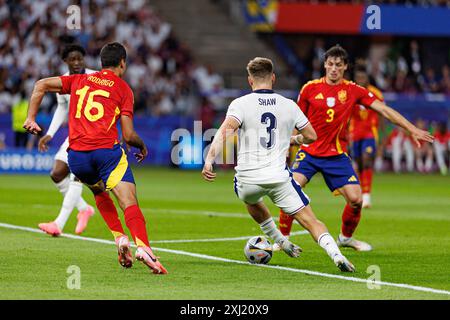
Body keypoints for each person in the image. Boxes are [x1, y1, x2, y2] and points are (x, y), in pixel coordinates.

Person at [23, 42, 167, 274]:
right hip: (106, 153)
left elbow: (40, 85)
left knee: (99, 191)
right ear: (122, 63)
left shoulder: (78, 80)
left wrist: (31, 118)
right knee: (128, 201)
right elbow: (128, 136)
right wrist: (141, 146)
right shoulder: (123, 89)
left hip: (77, 158)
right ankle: (144, 247)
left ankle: (119, 238)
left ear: (100, 64)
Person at [202, 57, 355, 272]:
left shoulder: (240, 104)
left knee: (250, 199)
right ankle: (336, 254)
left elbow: (225, 130)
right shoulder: (288, 105)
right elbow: (311, 135)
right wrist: (295, 139)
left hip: (247, 179)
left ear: (250, 80)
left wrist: (210, 159)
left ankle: (280, 240)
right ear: (273, 78)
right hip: (278, 178)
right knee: (310, 220)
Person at [276, 45, 434, 252]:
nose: (334, 69)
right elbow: (296, 121)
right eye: (330, 64)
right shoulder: (309, 88)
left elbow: (384, 110)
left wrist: (412, 129)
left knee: (356, 200)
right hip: (309, 152)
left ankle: (345, 238)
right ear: (324, 65)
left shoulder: (353, 90)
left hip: (337, 155)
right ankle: (282, 239)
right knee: (290, 190)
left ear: (345, 67)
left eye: (338, 65)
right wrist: (288, 144)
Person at [37, 44, 96, 236]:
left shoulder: (96, 78)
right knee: (57, 173)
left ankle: (58, 224)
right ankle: (84, 209)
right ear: (65, 61)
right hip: (76, 134)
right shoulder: (62, 83)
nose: (77, 62)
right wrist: (50, 134)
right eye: (73, 59)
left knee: (76, 175)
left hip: (94, 136)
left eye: (80, 58)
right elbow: (62, 108)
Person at [348, 65, 384, 208]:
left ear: (367, 78)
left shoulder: (376, 93)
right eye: (358, 77)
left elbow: (382, 114)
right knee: (359, 164)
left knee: (367, 159)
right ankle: (360, 193)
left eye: (363, 77)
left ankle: (367, 196)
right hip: (355, 134)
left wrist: (383, 137)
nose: (360, 80)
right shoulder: (350, 92)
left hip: (370, 133)